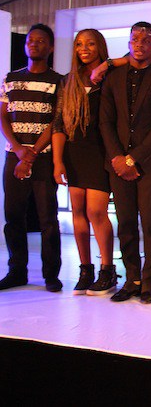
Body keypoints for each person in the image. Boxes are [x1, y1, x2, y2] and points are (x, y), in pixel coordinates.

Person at [99, 21, 151, 304]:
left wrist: (133, 159)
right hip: (117, 164)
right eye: (135, 39)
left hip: (149, 164)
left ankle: (149, 281)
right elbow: (105, 122)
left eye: (146, 40)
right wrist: (119, 159)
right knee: (126, 223)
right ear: (129, 42)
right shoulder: (113, 78)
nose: (140, 44)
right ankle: (131, 279)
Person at [52, 29, 119, 296]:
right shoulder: (67, 81)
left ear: (100, 47)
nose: (84, 48)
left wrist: (107, 64)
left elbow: (128, 59)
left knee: (96, 212)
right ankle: (85, 270)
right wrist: (58, 162)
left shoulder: (111, 77)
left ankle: (107, 270)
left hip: (101, 151)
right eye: (79, 44)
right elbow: (58, 124)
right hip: (74, 151)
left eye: (90, 44)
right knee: (78, 212)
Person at [0, 24, 62, 292]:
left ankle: (51, 275)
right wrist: (18, 149)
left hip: (43, 157)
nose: (34, 44)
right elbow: (3, 116)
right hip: (14, 156)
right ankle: (17, 272)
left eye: (41, 40)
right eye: (30, 40)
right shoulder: (11, 78)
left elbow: (56, 121)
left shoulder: (58, 81)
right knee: (13, 215)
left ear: (50, 47)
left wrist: (32, 153)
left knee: (48, 218)